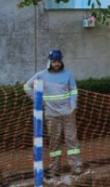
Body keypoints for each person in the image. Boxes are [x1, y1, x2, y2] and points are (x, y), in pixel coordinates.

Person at [23, 49, 82, 177]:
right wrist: (38, 100)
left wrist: (73, 106)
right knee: (54, 142)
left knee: (72, 139)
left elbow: (73, 91)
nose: (56, 64)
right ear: (50, 62)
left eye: (58, 62)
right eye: (54, 62)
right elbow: (27, 87)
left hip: (68, 114)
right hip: (52, 115)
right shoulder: (41, 75)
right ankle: (54, 169)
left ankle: (76, 167)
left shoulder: (68, 74)